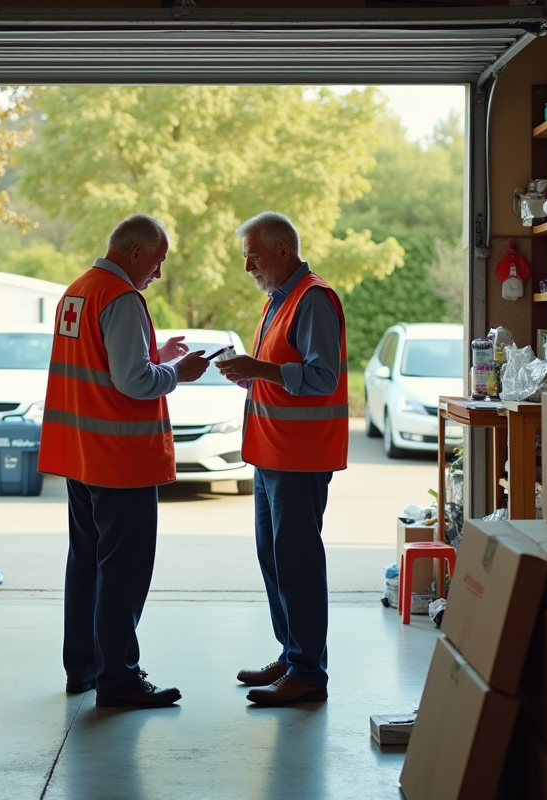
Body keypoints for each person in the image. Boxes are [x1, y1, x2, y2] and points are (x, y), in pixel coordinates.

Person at [39, 213, 211, 709]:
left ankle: (84, 667)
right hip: (119, 460)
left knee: (87, 563)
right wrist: (178, 371)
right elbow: (134, 383)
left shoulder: (79, 290)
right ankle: (120, 679)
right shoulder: (121, 298)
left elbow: (103, 362)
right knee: (124, 571)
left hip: (81, 457)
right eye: (156, 263)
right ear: (135, 253)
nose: (157, 274)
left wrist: (153, 351)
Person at [216, 211, 348, 706]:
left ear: (281, 251)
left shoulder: (312, 297)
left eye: (252, 255)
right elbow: (282, 375)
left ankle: (309, 673)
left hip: (299, 458)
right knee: (274, 559)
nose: (247, 265)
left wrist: (260, 369)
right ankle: (293, 655)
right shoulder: (279, 300)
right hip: (271, 456)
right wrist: (248, 374)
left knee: (297, 562)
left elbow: (321, 378)